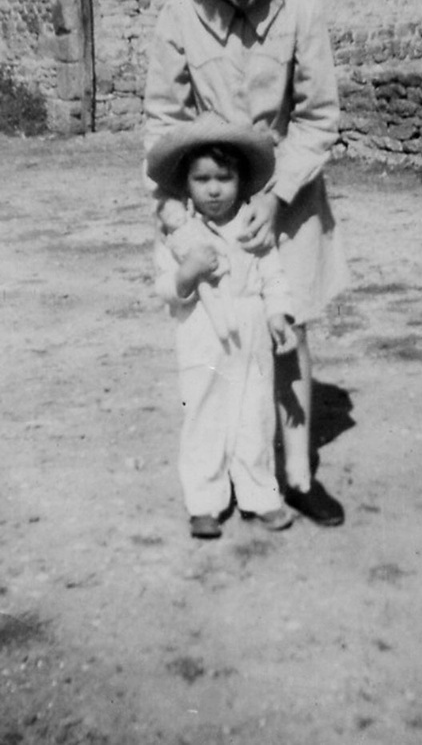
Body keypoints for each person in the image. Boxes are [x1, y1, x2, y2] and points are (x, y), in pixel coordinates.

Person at [144, 0, 349, 526]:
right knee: (216, 349)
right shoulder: (180, 15)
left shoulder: (302, 10)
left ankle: (292, 477)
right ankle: (220, 481)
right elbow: (163, 127)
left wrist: (278, 194)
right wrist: (182, 224)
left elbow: (318, 119)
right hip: (210, 206)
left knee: (285, 338)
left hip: (287, 204)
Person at [148, 114, 298, 539]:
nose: (214, 189)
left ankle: (259, 494)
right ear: (186, 184)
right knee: (206, 414)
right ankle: (205, 500)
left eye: (224, 178)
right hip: (200, 336)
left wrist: (276, 313)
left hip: (250, 333)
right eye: (202, 179)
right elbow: (165, 289)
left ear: (242, 179)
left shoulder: (252, 226)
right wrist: (188, 273)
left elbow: (272, 276)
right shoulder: (180, 235)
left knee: (255, 414)